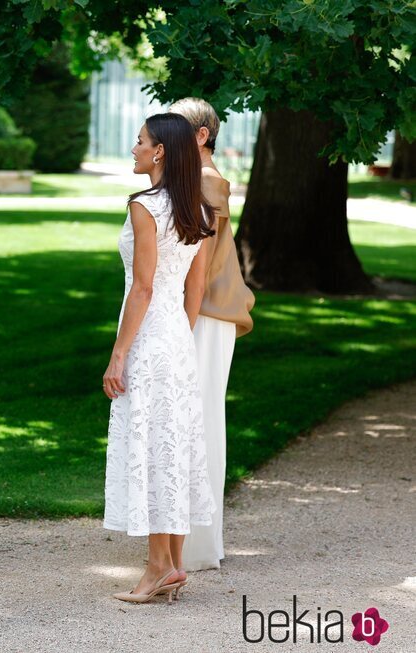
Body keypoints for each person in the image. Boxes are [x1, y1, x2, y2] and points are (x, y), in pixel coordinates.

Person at [102, 112, 217, 604]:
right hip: (177, 339)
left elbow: (144, 287)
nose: (134, 148)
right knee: (172, 446)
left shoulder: (145, 206)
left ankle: (155, 569)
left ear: (160, 151)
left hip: (150, 339)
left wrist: (119, 353)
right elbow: (196, 288)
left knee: (152, 446)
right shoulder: (198, 208)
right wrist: (179, 336)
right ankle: (170, 564)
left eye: (140, 141)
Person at [169, 98, 255, 575]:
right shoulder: (198, 180)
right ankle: (193, 541)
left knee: (197, 420)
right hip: (202, 312)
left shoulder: (205, 183)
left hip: (204, 313)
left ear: (201, 136)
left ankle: (197, 544)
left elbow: (193, 268)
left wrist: (177, 321)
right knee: (194, 418)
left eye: (177, 130)